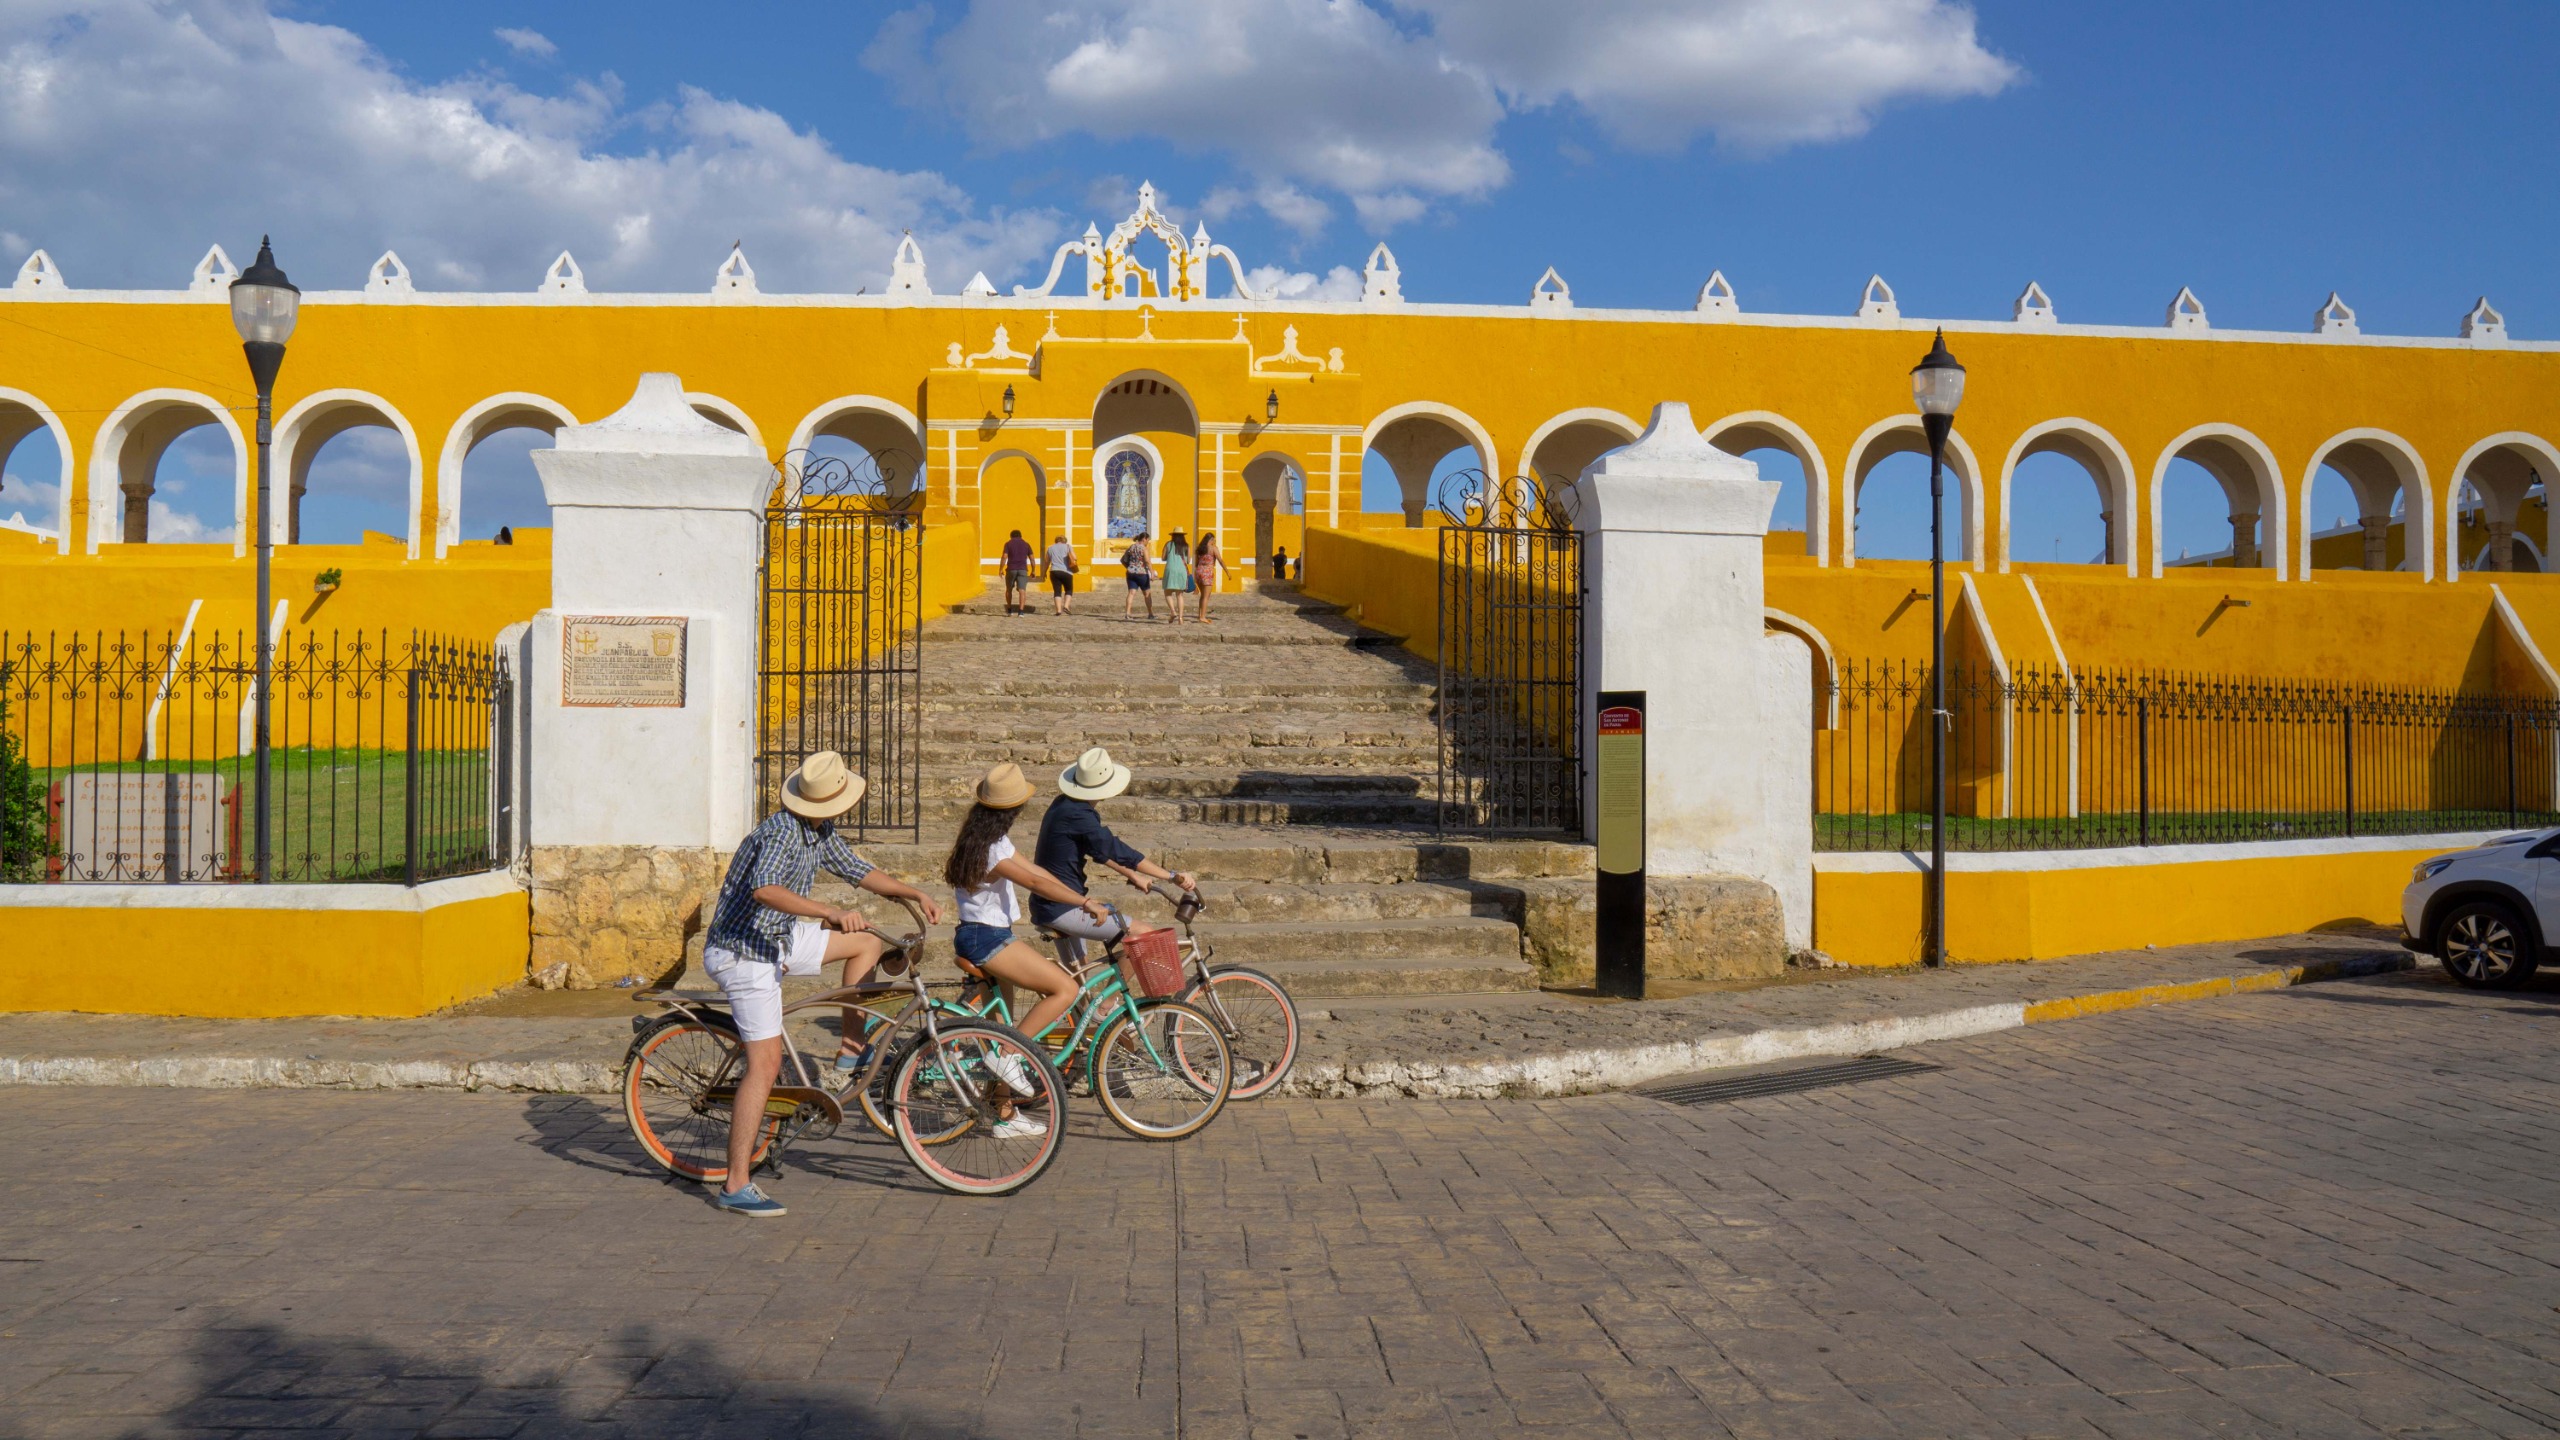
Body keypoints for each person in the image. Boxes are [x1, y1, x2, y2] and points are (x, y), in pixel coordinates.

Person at [697, 751, 943, 1218]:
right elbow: (765, 889)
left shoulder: (817, 829)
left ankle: (850, 1048)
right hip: (743, 951)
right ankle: (735, 1183)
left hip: (779, 938)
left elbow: (858, 870)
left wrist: (913, 892)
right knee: (765, 1065)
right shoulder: (780, 833)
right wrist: (829, 911)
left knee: (867, 941)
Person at [943, 763, 1115, 1130]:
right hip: (986, 938)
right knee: (1065, 988)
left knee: (1003, 1026)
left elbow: (1039, 873)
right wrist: (1084, 903)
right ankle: (1009, 1054)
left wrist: (1077, 897)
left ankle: (1002, 1112)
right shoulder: (992, 850)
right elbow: (1034, 884)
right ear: (1014, 809)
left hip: (985, 934)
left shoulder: (990, 840)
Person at [1029, 747, 1196, 968]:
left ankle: (1087, 993)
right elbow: (1118, 851)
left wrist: (1133, 876)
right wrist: (1171, 876)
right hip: (1062, 907)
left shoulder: (1064, 804)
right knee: (1143, 935)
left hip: (1052, 901)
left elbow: (1099, 850)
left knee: (1077, 980)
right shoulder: (1079, 815)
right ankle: (1115, 993)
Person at [1121, 530, 1156, 621]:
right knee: (1147, 594)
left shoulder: (1131, 547)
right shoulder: (1144, 549)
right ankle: (1150, 613)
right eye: (1148, 540)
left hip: (1131, 573)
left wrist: (1130, 567)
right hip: (1142, 573)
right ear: (1144, 539)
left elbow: (1123, 560)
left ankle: (1127, 613)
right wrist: (1152, 573)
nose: (1148, 542)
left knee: (1131, 593)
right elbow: (1147, 561)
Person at [1161, 531, 1193, 624]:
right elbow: (1188, 560)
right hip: (1181, 570)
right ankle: (1181, 618)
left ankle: (1173, 611)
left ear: (1173, 535)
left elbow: (1163, 558)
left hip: (1170, 569)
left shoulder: (1168, 544)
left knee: (1167, 593)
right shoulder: (1186, 546)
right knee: (1180, 595)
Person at [1000, 530, 1034, 616]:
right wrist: (1033, 570)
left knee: (1009, 589)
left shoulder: (1008, 544)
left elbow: (1004, 556)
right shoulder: (1026, 544)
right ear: (1020, 536)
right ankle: (1021, 611)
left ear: (1011, 536)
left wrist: (1001, 569)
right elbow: (1032, 559)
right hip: (1023, 569)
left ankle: (1009, 609)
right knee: (1022, 590)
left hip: (1011, 569)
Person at [1044, 533, 1078, 616]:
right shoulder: (1068, 546)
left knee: (1057, 591)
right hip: (1067, 571)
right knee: (1068, 589)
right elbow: (1074, 557)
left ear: (1056, 541)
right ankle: (1066, 606)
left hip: (1054, 571)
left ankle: (1058, 610)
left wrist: (1044, 572)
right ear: (1064, 541)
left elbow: (1047, 562)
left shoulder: (1050, 548)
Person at [1194, 531, 1222, 623]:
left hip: (1199, 571)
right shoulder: (1213, 548)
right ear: (1211, 540)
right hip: (1207, 573)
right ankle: (1202, 617)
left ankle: (1200, 615)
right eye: (1214, 540)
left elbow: (1196, 563)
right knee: (1206, 596)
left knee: (1202, 596)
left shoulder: (1200, 549)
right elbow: (1220, 560)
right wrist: (1227, 572)